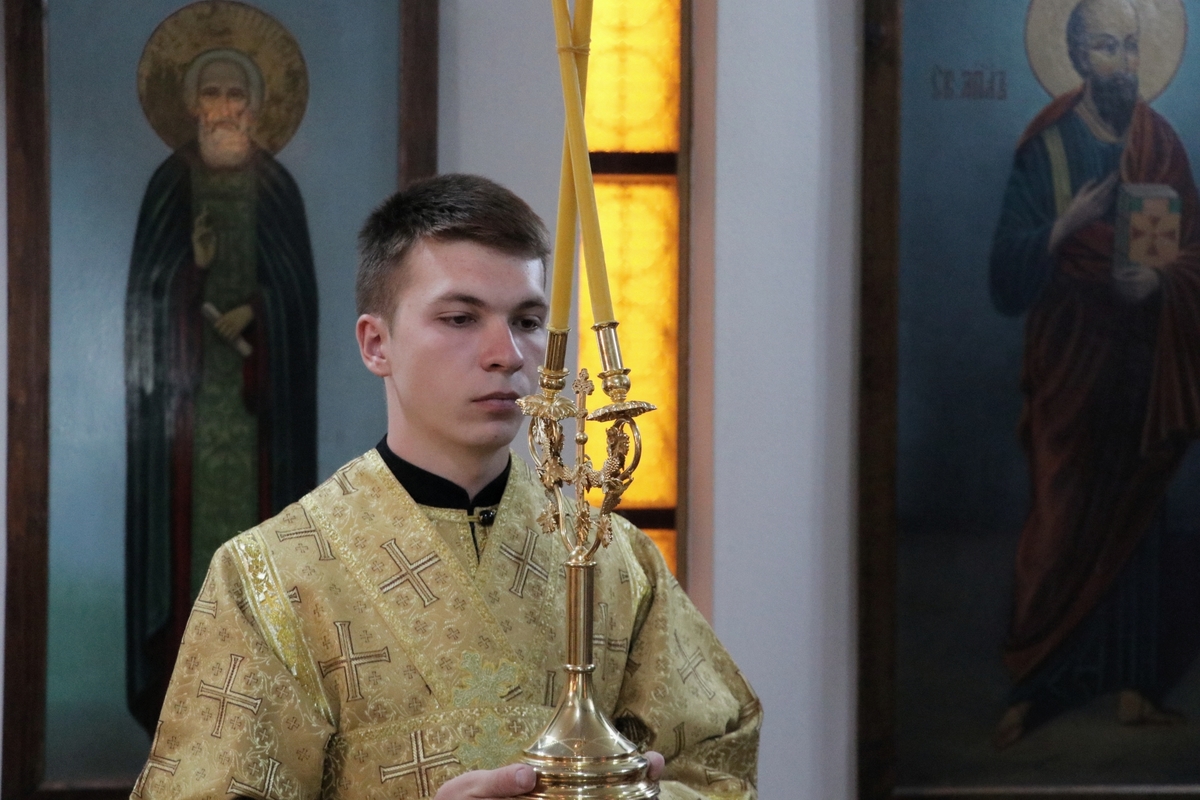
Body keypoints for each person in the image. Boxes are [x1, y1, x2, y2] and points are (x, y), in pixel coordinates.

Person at [131, 174, 760, 799]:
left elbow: (717, 767)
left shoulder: (614, 559)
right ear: (377, 344)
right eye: (460, 318)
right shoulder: (269, 577)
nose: (507, 354)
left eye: (529, 320)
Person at [988, 0, 1200, 747]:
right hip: (1071, 360)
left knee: (1138, 517)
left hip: (1142, 360)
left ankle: (1135, 685)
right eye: (1108, 47)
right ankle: (1035, 684)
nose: (1125, 63)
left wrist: (1162, 280)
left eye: (1133, 46)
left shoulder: (1160, 142)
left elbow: (1193, 250)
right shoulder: (1046, 147)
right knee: (1062, 515)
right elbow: (1004, 275)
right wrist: (1066, 226)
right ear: (1078, 58)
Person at [125, 47, 319, 733]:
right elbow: (147, 298)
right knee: (187, 547)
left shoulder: (276, 188)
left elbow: (299, 297)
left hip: (257, 418)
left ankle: (257, 691)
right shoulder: (169, 184)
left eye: (238, 95)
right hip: (186, 420)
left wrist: (259, 310)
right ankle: (186, 688)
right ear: (192, 105)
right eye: (212, 94)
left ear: (257, 108)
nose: (225, 109)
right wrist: (195, 273)